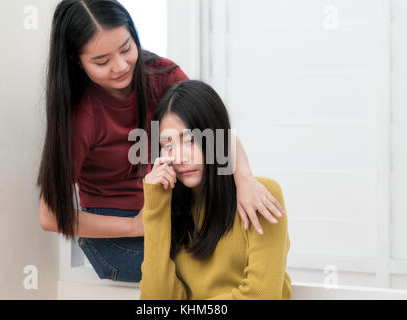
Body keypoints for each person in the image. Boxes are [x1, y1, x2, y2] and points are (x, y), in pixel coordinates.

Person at [37, 0, 285, 283]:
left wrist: (244, 179)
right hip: (118, 229)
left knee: (242, 246)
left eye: (126, 48)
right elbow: (50, 216)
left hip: (173, 209)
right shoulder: (79, 116)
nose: (120, 66)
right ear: (74, 59)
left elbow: (212, 132)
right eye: (102, 61)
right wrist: (134, 225)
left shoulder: (161, 75)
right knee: (202, 271)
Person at [140, 80, 291, 299]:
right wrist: (155, 204)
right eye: (168, 145)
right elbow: (155, 300)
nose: (180, 157)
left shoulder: (261, 195)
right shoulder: (169, 205)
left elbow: (260, 296)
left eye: (190, 140)